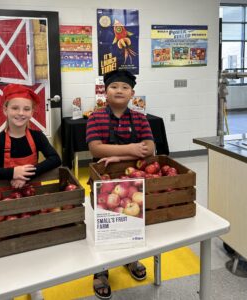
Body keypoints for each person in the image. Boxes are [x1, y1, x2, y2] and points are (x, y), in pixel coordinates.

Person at [0, 83, 61, 300]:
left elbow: (55, 159)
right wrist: (12, 173)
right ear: (4, 110)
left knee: (31, 241)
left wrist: (26, 174)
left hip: (32, 199)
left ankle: (33, 284)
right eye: (15, 108)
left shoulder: (38, 136)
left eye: (26, 109)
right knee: (7, 244)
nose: (20, 114)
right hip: (5, 199)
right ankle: (8, 286)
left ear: (32, 112)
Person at [86, 70, 155, 299]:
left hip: (133, 181)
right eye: (114, 86)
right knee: (104, 227)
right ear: (105, 91)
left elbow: (150, 149)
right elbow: (96, 149)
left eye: (124, 88)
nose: (119, 90)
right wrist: (130, 150)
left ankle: (131, 259)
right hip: (103, 183)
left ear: (132, 93)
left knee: (132, 223)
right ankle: (100, 271)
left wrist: (118, 157)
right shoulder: (96, 117)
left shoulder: (140, 118)